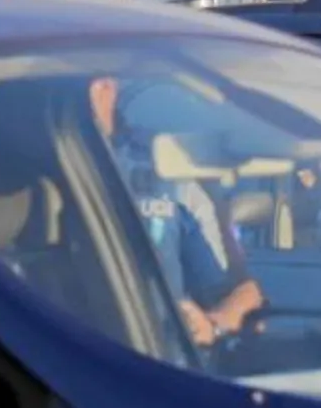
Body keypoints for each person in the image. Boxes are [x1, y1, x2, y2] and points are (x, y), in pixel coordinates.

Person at [90, 77, 263, 347]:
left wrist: (211, 324)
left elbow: (244, 295)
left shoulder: (167, 168)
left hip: (160, 360)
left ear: (106, 88)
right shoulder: (18, 181)